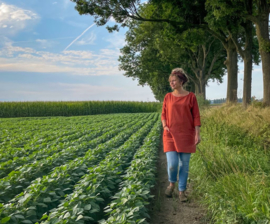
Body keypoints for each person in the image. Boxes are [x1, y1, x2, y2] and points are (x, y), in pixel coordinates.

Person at [161, 68, 201, 202]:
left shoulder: (191, 97)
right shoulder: (168, 97)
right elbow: (163, 114)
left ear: (181, 81)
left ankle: (182, 192)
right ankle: (172, 184)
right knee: (172, 164)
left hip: (186, 135)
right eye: (170, 81)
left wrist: (197, 133)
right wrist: (165, 126)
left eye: (174, 81)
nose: (171, 83)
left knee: (184, 164)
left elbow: (196, 116)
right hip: (170, 135)